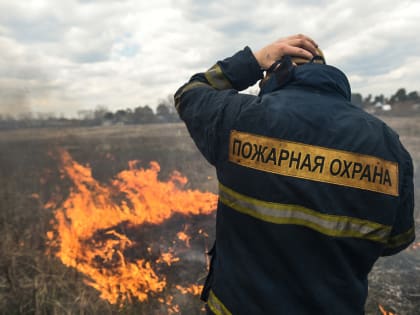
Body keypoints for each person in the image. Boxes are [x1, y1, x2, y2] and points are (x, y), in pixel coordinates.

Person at [174, 34, 415, 315]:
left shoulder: (238, 119)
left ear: (276, 71)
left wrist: (252, 61)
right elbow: (396, 240)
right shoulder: (388, 145)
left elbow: (189, 93)